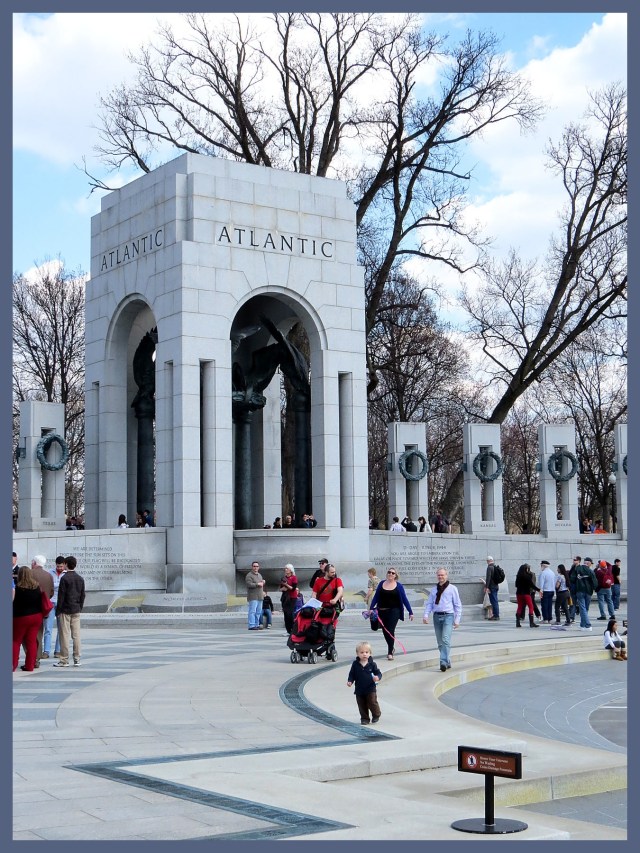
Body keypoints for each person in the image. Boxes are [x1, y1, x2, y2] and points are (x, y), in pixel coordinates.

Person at [422, 567, 462, 671]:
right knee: (440, 642)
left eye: (442, 575)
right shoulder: (434, 589)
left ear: (446, 576)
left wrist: (457, 620)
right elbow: (429, 603)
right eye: (439, 575)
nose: (440, 577)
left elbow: (457, 605)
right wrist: (426, 615)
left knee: (445, 639)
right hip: (436, 616)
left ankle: (443, 662)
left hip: (448, 616)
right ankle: (447, 660)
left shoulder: (452, 588)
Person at [369, 568, 414, 660]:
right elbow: (376, 596)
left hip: (394, 611)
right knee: (385, 631)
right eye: (389, 572)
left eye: (393, 573)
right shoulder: (381, 583)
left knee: (390, 629)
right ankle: (392, 647)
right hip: (382, 610)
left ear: (395, 575)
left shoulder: (399, 586)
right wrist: (371, 608)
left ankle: (390, 652)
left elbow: (404, 599)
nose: (390, 574)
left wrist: (410, 612)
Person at [53, 555, 86, 667]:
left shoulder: (64, 578)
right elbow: (82, 595)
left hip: (65, 610)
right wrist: (80, 607)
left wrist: (58, 611)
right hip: (76, 609)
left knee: (64, 635)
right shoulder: (80, 578)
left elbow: (61, 596)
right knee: (76, 635)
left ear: (66, 564)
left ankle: (64, 660)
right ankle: (77, 658)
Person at [13, 566, 44, 672]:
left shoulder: (18, 588)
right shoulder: (36, 587)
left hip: (21, 617)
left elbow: (14, 604)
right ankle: (30, 666)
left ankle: (12, 665)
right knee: (31, 641)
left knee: (16, 641)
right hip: (36, 616)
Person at [28, 555, 54, 668]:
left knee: (26, 636)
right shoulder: (49, 575)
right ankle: (36, 658)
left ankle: (31, 658)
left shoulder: (29, 574)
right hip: (42, 610)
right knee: (38, 634)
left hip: (29, 609)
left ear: (34, 563)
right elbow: (51, 592)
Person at [347, 641, 382, 725]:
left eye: (366, 652)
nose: (364, 654)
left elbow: (378, 673)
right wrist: (350, 681)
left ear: (370, 653)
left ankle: (376, 714)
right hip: (359, 689)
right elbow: (352, 674)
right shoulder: (355, 664)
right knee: (361, 704)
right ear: (357, 653)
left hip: (370, 688)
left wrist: (377, 677)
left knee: (372, 702)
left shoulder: (372, 664)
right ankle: (365, 718)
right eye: (362, 652)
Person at [574, 556, 597, 631]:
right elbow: (595, 582)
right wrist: (594, 589)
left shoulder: (577, 569)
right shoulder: (590, 571)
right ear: (589, 563)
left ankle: (583, 624)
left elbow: (572, 579)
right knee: (585, 608)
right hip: (588, 591)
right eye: (591, 563)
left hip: (580, 590)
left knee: (583, 608)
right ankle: (587, 625)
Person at [514, 563, 539, 628]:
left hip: (519, 593)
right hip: (526, 593)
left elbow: (516, 585)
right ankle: (531, 623)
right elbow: (532, 585)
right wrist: (539, 590)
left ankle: (517, 622)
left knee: (519, 607)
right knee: (531, 606)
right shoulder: (528, 576)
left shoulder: (518, 576)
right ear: (526, 569)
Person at [279, 564, 299, 634]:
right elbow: (280, 588)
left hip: (292, 597)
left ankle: (293, 629)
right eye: (285, 568)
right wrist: (283, 588)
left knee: (290, 613)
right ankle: (288, 630)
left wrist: (286, 585)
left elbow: (293, 588)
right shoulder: (283, 578)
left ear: (291, 570)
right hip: (285, 597)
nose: (285, 570)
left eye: (287, 568)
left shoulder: (294, 577)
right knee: (285, 613)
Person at [245, 561, 265, 630]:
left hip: (260, 596)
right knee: (252, 611)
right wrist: (257, 584)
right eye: (254, 566)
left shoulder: (259, 575)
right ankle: (251, 625)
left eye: (257, 566)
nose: (255, 568)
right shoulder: (249, 575)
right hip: (253, 596)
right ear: (252, 567)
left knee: (258, 612)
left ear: (259, 567)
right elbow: (249, 584)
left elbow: (261, 584)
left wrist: (262, 582)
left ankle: (256, 624)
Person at [483, 556, 500, 621]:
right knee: (495, 600)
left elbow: (488, 578)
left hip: (492, 587)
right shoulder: (495, 567)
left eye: (487, 561)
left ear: (488, 561)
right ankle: (496, 615)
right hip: (496, 586)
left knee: (494, 601)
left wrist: (486, 587)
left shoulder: (489, 568)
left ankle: (496, 615)